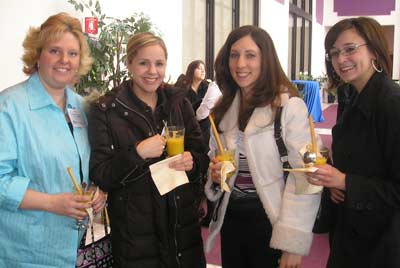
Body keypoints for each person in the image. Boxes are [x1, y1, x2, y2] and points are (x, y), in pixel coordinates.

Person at [88, 32, 209, 268]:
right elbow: (101, 172)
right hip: (136, 237)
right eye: (144, 63)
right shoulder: (106, 110)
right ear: (129, 63)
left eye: (159, 63)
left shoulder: (178, 103)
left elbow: (202, 155)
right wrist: (138, 152)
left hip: (182, 233)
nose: (152, 71)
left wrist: (192, 161)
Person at [204, 25, 321, 268]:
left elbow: (307, 178)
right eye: (234, 55)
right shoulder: (224, 109)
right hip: (232, 218)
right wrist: (215, 176)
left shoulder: (289, 107)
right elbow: (217, 163)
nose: (240, 64)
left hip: (272, 220)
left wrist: (292, 242)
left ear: (265, 59)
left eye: (250, 55)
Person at [0, 13, 106, 267]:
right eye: (55, 51)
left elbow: (89, 167)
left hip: (74, 248)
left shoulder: (83, 108)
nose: (64, 61)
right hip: (24, 252)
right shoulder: (9, 106)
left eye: (72, 53)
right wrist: (52, 203)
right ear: (38, 55)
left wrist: (96, 192)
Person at [307, 17, 400, 268]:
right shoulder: (352, 95)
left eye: (350, 49)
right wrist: (337, 181)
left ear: (374, 50)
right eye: (334, 53)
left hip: (382, 244)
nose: (340, 60)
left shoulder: (391, 104)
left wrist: (345, 181)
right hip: (350, 232)